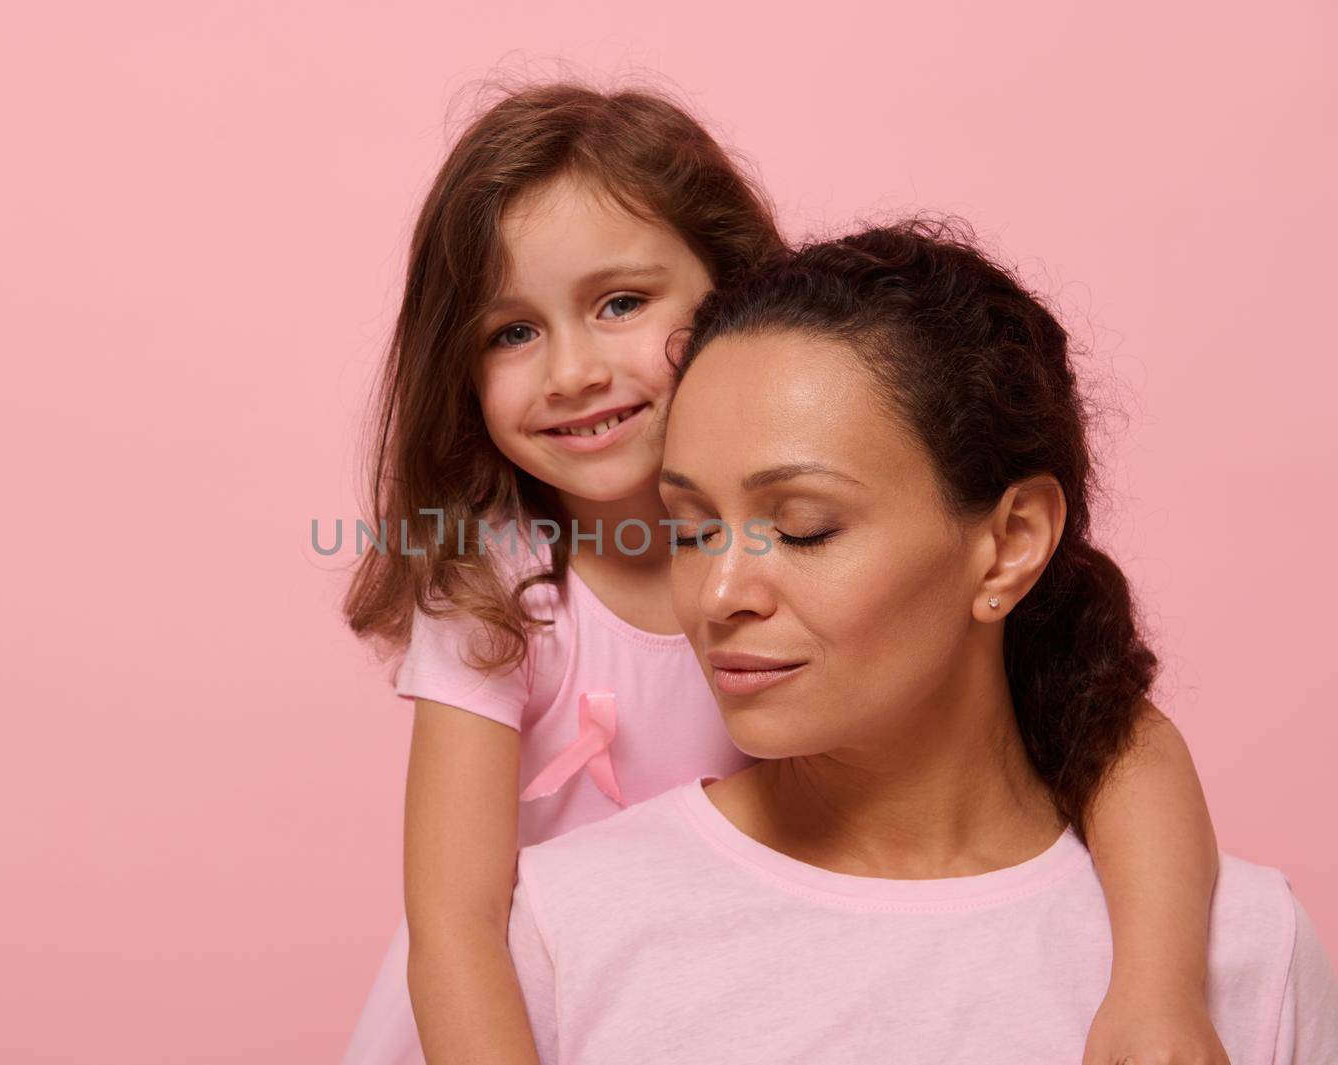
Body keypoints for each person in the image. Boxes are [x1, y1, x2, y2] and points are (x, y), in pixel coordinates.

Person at [342, 83, 1227, 1065]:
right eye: (511, 332)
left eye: (621, 304)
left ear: (727, 297)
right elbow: (456, 923)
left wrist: (1155, 990)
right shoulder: (492, 584)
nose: (573, 372)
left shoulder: (915, 568)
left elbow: (1113, 739)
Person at [504, 220, 1338, 1063]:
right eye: (689, 531)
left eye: (803, 529)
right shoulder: (570, 926)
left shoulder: (1241, 958)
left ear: (1011, 542)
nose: (719, 596)